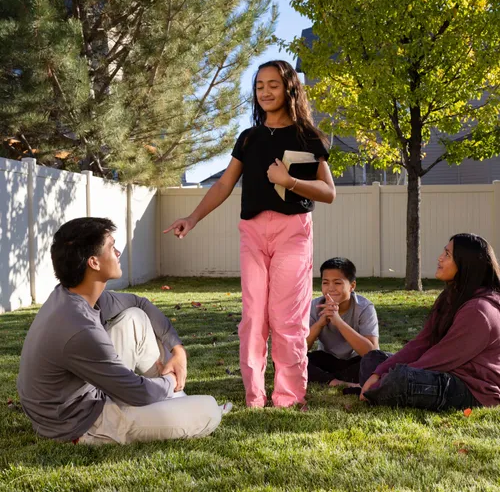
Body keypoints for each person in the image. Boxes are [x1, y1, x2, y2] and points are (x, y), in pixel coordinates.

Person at [164, 60, 335, 408]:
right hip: (253, 233)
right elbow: (225, 184)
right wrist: (193, 217)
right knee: (254, 317)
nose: (265, 92)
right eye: (259, 86)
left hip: (293, 232)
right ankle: (254, 396)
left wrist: (290, 182)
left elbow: (328, 191)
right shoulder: (249, 138)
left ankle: (289, 397)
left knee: (287, 318)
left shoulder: (308, 137)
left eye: (273, 84)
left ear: (290, 88)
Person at [17, 217, 230, 445]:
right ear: (94, 263)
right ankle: (174, 398)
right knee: (208, 410)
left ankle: (174, 398)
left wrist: (178, 351)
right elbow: (137, 393)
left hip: (88, 395)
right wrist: (169, 380)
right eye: (111, 247)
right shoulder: (79, 327)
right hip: (79, 423)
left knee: (135, 318)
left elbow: (140, 303)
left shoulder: (74, 295)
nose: (118, 253)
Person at [359, 233, 500, 410]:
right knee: (373, 360)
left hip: (472, 390)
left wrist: (388, 377)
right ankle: (376, 391)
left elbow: (442, 357)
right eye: (444, 252)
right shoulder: (450, 296)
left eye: (448, 255)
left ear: (466, 264)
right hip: (443, 372)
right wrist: (379, 373)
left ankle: (375, 392)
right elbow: (422, 342)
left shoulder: (479, 310)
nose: (440, 258)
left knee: (401, 377)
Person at [307, 258, 378, 386]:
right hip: (327, 360)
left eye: (337, 283)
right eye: (325, 283)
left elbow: (371, 353)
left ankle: (326, 379)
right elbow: (300, 348)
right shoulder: (315, 306)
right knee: (290, 358)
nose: (331, 288)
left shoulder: (364, 308)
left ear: (352, 286)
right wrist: (320, 324)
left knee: (380, 361)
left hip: (355, 362)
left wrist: (338, 321)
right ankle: (336, 382)